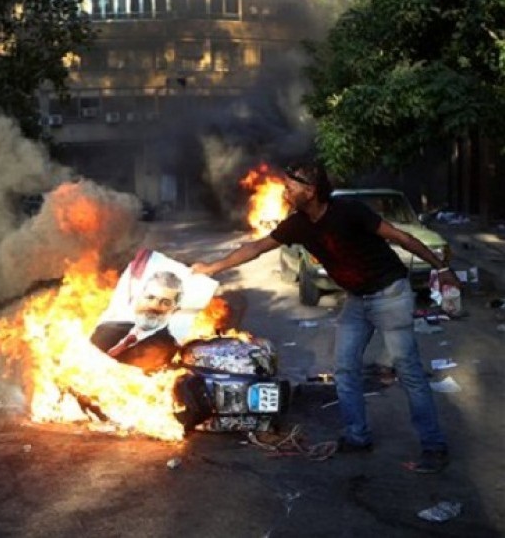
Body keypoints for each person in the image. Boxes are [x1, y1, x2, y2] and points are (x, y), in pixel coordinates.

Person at [192, 161, 458, 473]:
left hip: (390, 293)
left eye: (292, 186)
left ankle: (434, 446)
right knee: (344, 369)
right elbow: (256, 248)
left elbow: (401, 237)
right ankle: (357, 436)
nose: (286, 190)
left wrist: (441, 267)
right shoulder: (298, 224)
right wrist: (212, 268)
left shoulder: (349, 211)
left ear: (311, 190)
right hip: (358, 300)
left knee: (408, 370)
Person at [90, 270, 183, 373]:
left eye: (165, 303)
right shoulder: (104, 329)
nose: (153, 306)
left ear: (175, 310)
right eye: (150, 297)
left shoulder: (171, 354)